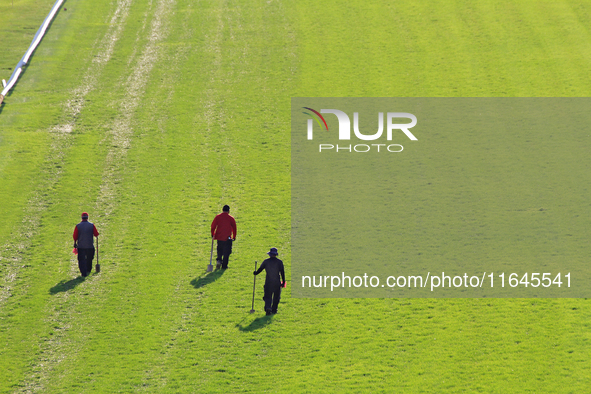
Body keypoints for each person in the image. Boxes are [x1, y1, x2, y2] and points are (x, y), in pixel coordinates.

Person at [253, 247, 285, 315]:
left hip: (268, 281)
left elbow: (260, 269)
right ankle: (274, 309)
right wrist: (283, 282)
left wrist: (255, 273)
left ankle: (268, 307)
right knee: (276, 297)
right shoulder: (279, 262)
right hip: (277, 282)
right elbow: (282, 272)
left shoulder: (266, 261)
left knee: (267, 296)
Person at [73, 212, 99, 277]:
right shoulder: (92, 225)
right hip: (90, 246)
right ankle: (88, 270)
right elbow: (96, 234)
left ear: (82, 218)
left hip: (81, 246)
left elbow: (75, 236)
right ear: (87, 218)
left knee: (81, 260)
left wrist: (75, 242)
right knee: (89, 258)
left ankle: (83, 273)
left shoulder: (78, 226)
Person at [210, 205, 237, 269]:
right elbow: (234, 228)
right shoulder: (231, 218)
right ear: (228, 210)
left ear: (222, 210)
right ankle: (224, 266)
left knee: (220, 250)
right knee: (227, 252)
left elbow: (213, 226)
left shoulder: (218, 217)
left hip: (219, 237)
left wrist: (213, 234)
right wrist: (234, 236)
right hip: (227, 238)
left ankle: (219, 260)